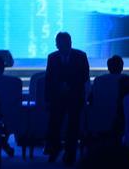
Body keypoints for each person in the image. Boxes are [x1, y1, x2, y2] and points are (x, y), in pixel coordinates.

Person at [45, 32, 90, 165]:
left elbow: (85, 75)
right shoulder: (52, 57)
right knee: (55, 125)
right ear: (57, 45)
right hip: (57, 98)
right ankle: (54, 150)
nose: (61, 46)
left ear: (70, 43)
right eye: (59, 44)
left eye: (64, 43)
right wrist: (48, 97)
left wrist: (70, 85)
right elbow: (49, 78)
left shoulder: (81, 56)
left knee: (73, 126)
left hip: (75, 96)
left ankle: (70, 153)